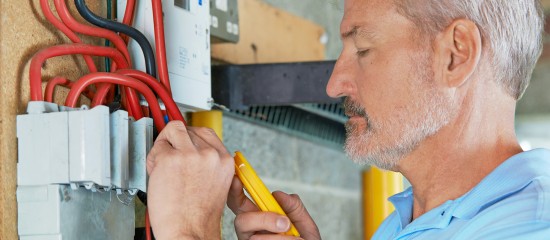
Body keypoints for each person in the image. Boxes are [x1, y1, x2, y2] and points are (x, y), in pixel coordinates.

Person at [145, 0, 550, 239]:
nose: (334, 85)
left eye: (364, 49)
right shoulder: (406, 223)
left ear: (455, 54)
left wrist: (189, 230)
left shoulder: (528, 229)